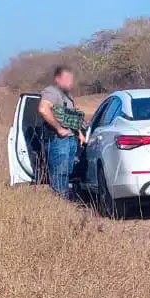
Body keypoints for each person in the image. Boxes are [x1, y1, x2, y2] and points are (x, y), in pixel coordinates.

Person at [38, 66, 85, 199]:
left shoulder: (67, 95)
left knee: (67, 171)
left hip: (70, 139)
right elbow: (43, 109)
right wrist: (58, 128)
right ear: (58, 79)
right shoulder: (51, 92)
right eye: (67, 79)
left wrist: (79, 133)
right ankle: (60, 202)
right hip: (57, 139)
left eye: (71, 79)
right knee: (60, 172)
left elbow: (72, 117)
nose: (70, 82)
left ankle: (64, 199)